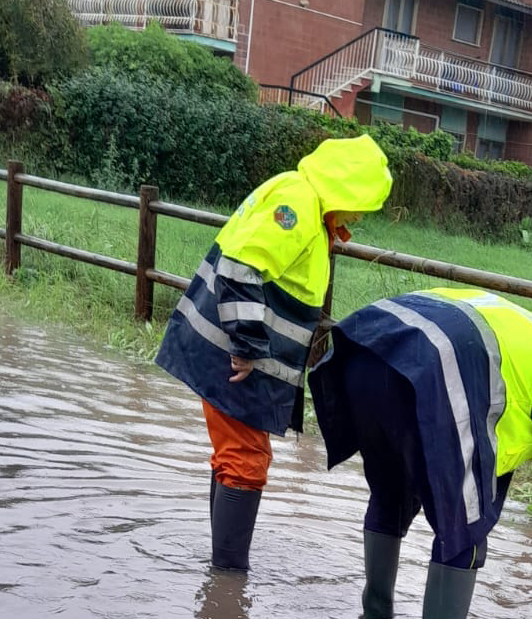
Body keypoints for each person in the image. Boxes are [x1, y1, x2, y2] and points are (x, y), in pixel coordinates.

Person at [308, 287, 532, 619]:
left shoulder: (523, 328)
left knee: (390, 496)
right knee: (464, 531)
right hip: (431, 373)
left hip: (366, 348)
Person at [156, 134, 393, 571]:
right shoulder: (298, 207)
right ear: (346, 188)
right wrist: (245, 347)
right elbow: (242, 267)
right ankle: (227, 585)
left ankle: (220, 571)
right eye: (362, 205)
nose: (361, 216)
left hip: (233, 353)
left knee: (236, 456)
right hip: (234, 356)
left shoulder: (301, 198)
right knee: (245, 460)